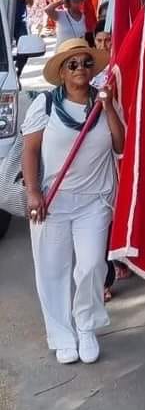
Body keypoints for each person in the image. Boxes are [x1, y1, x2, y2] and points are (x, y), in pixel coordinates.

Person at [22, 39, 124, 364]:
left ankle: (86, 325)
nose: (81, 68)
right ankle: (62, 334)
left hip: (95, 200)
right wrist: (33, 191)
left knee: (93, 264)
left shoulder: (104, 101)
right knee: (53, 270)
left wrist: (108, 107)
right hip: (53, 201)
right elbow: (30, 150)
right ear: (62, 73)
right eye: (73, 64)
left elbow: (120, 145)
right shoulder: (46, 105)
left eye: (86, 63)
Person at [13, 0, 34, 74]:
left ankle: (17, 72)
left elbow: (31, 3)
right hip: (4, 18)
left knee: (26, 48)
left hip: (20, 19)